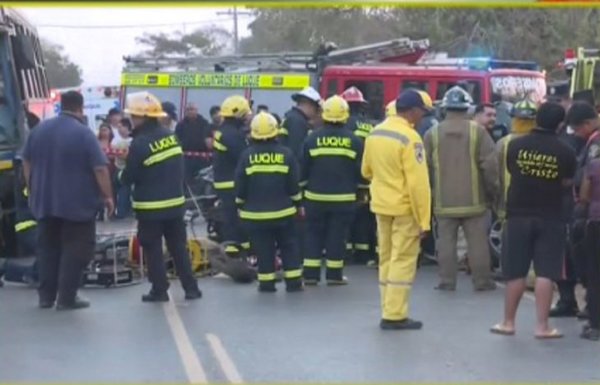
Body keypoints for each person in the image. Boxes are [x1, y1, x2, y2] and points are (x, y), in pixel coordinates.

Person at [491, 102, 576, 338]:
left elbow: (512, 170)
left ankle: (508, 322)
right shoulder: (566, 151)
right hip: (551, 216)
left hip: (517, 214)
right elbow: (567, 183)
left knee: (515, 271)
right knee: (546, 272)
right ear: (561, 124)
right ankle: (542, 326)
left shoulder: (516, 146)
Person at [22, 90, 114, 310]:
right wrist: (108, 196)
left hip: (45, 202)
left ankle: (46, 297)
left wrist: (32, 187)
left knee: (48, 249)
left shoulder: (39, 130)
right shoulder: (83, 134)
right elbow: (100, 168)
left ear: (62, 106)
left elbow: (26, 161)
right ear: (80, 109)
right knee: (76, 249)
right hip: (77, 205)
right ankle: (67, 297)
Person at [119, 91, 202, 302]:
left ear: (144, 117)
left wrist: (120, 172)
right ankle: (191, 288)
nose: (132, 120)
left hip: (150, 207)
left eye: (134, 116)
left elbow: (129, 177)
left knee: (153, 249)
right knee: (178, 248)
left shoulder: (139, 144)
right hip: (175, 204)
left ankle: (159, 289)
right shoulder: (170, 135)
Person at [362, 89, 432, 330]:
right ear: (412, 111)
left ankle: (387, 307)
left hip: (381, 206)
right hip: (404, 209)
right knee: (403, 260)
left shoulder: (375, 133)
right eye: (422, 112)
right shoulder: (410, 138)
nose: (422, 117)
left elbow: (366, 171)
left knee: (386, 258)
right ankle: (395, 314)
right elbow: (418, 184)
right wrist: (424, 221)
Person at [424, 86, 498, 291]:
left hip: (443, 200)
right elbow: (490, 166)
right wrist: (492, 191)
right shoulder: (479, 132)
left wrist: (431, 191)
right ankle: (482, 281)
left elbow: (425, 167)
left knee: (445, 241)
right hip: (474, 201)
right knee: (478, 243)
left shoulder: (432, 133)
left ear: (445, 108)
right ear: (467, 108)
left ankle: (447, 281)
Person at [234, 112, 303, 293]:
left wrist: (239, 205)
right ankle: (294, 283)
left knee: (264, 249)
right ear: (276, 132)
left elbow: (240, 184)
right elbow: (293, 185)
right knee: (289, 246)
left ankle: (266, 283)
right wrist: (298, 204)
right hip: (283, 213)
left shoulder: (246, 156)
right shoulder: (286, 154)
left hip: (255, 215)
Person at [300, 95, 363, 286]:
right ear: (345, 116)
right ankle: (334, 275)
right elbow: (360, 172)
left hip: (315, 198)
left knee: (313, 235)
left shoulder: (311, 139)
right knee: (337, 236)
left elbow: (303, 170)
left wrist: (300, 195)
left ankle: (310, 275)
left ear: (324, 114)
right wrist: (361, 193)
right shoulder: (354, 141)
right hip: (343, 199)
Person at [550, 102, 599, 318]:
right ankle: (582, 303)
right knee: (578, 257)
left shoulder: (595, 141)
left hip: (588, 210)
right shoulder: (587, 140)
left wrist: (575, 189)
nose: (576, 133)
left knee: (588, 261)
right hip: (583, 209)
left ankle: (591, 307)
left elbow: (588, 174)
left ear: (588, 123)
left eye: (578, 128)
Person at [341, 86, 377, 265]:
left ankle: (347, 251)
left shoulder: (345, 124)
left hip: (350, 179)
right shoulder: (370, 125)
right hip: (368, 179)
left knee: (348, 218)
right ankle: (364, 253)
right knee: (365, 218)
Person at [212, 95, 252, 257]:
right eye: (246, 114)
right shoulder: (233, 135)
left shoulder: (225, 131)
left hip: (225, 182)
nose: (248, 117)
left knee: (231, 218)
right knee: (237, 220)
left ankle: (235, 251)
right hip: (232, 183)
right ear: (239, 115)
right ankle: (240, 253)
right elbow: (244, 158)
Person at [578, 153, 600, 340]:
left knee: (595, 274)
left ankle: (596, 325)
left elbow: (584, 196)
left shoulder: (594, 165)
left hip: (596, 223)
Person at [279, 86, 322, 161]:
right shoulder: (297, 121)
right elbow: (296, 151)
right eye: (316, 108)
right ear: (308, 104)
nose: (316, 112)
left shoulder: (292, 116)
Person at [175, 102, 211, 182]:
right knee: (186, 179)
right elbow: (176, 139)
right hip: (186, 158)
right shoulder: (180, 125)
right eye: (188, 110)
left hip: (202, 158)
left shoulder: (204, 123)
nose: (190, 112)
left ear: (196, 110)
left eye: (192, 109)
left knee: (202, 180)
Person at [113, 118, 133, 219]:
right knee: (116, 190)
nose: (119, 129)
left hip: (127, 169)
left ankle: (122, 212)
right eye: (118, 127)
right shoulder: (115, 139)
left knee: (124, 191)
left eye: (121, 127)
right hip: (117, 167)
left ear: (127, 127)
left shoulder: (132, 140)